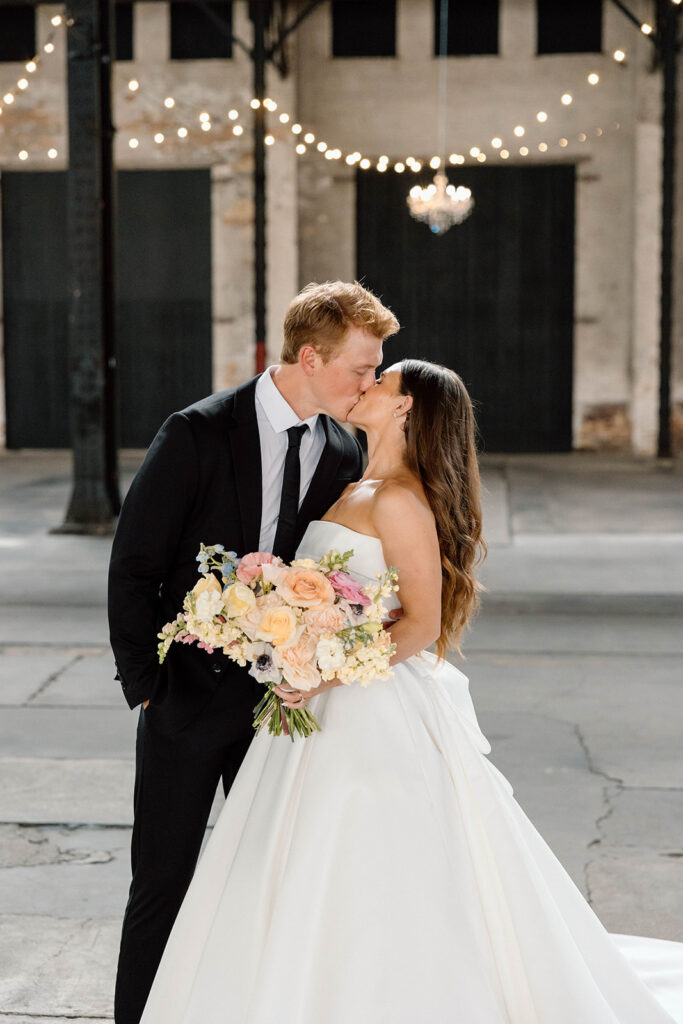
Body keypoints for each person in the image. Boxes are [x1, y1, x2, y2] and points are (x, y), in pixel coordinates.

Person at [137, 359, 683, 1024]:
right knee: (294, 866)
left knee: (372, 866)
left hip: (367, 707)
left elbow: (421, 623)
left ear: (404, 410)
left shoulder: (398, 498)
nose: (365, 385)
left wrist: (323, 671)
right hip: (316, 701)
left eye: (382, 382)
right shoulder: (353, 483)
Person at [107, 280, 400, 1024]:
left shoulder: (340, 445)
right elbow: (135, 561)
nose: (370, 383)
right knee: (163, 885)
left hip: (280, 712)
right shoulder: (198, 431)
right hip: (185, 700)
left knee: (265, 881)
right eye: (361, 368)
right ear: (310, 356)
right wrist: (146, 684)